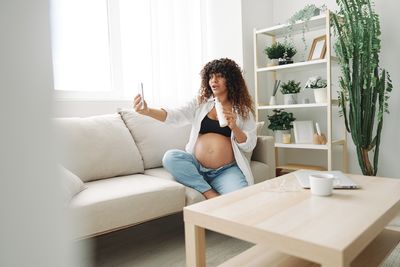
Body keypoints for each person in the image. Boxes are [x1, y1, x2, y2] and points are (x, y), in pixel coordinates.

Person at [133, 58, 256, 199]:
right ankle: (208, 192)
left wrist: (235, 127)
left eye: (220, 76)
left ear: (231, 79)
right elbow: (175, 116)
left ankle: (213, 188)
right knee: (171, 157)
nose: (213, 80)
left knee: (242, 198)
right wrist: (148, 111)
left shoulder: (243, 111)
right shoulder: (200, 102)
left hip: (225, 171)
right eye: (210, 76)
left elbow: (250, 145)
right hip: (197, 166)